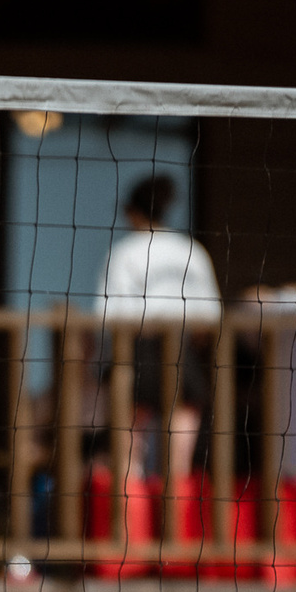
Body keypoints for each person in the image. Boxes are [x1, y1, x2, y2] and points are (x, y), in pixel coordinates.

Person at [96, 173, 221, 486]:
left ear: (131, 212)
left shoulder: (124, 253)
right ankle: (173, 520)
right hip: (183, 351)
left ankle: (128, 521)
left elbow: (109, 316)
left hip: (138, 351)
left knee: (128, 461)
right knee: (178, 461)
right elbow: (209, 317)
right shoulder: (191, 250)